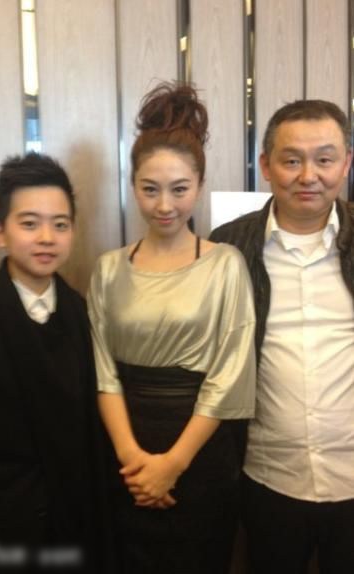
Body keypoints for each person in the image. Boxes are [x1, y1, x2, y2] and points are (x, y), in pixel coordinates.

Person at [87, 82, 256, 574]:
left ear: (198, 186)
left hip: (201, 452)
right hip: (126, 451)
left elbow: (229, 376)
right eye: (150, 189)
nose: (165, 205)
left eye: (179, 189)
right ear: (133, 185)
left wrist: (172, 466)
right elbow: (103, 373)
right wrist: (135, 464)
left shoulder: (225, 263)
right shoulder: (108, 268)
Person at [0, 153, 113, 573]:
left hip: (69, 532)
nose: (47, 237)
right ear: (0, 232)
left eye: (60, 224)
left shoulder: (82, 314)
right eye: (29, 223)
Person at [210, 99, 354, 574]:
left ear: (346, 164)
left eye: (325, 159)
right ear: (266, 166)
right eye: (292, 160)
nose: (308, 175)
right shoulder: (227, 247)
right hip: (269, 478)